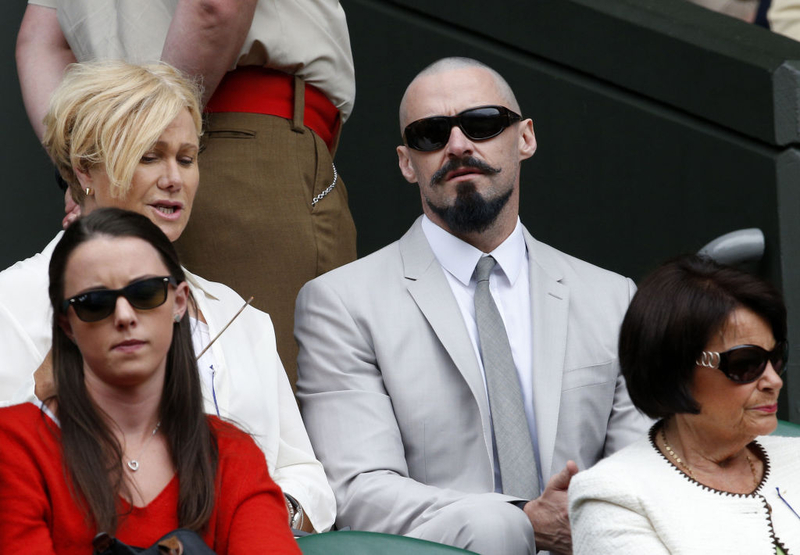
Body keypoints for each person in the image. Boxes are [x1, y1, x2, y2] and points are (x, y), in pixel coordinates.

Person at [294, 56, 651, 555]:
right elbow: (360, 490)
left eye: (482, 124)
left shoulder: (612, 297)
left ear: (525, 137)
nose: (458, 145)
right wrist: (519, 522)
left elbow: (646, 469)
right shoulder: (341, 304)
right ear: (405, 162)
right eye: (430, 134)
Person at [0, 61, 335, 532]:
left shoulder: (239, 315)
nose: (174, 178)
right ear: (84, 169)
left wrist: (265, 512)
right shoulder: (11, 301)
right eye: (149, 156)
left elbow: (305, 476)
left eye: (186, 157)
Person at [16, 0, 358, 385]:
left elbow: (40, 40)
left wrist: (96, 166)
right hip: (241, 137)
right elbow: (215, 8)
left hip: (144, 150)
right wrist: (145, 136)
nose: (173, 177)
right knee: (255, 402)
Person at [0, 208, 300, 554]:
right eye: (95, 302)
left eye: (145, 293)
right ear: (67, 325)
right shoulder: (15, 447)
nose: (125, 316)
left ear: (179, 303)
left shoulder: (233, 456)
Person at [569, 255, 800, 553]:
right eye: (746, 363)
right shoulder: (613, 496)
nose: (773, 380)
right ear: (675, 370)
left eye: (776, 357)